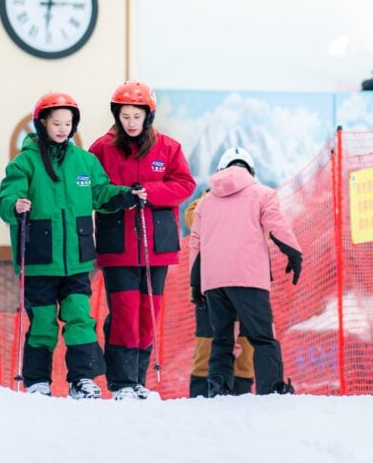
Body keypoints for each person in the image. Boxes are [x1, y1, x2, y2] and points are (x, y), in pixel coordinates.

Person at [0, 92, 139, 399]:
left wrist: (124, 196)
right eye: (56, 122)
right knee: (43, 323)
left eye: (68, 123)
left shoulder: (85, 162)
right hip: (39, 259)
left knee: (79, 318)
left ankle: (83, 379)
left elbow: (101, 193)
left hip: (76, 258)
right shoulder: (25, 163)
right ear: (42, 123)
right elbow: (5, 199)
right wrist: (15, 205)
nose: (62, 128)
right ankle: (37, 381)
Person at [89, 81, 196, 400]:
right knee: (124, 312)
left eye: (137, 115)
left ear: (148, 116)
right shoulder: (101, 149)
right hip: (118, 246)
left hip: (157, 247)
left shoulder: (168, 147)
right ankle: (122, 382)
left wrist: (152, 192)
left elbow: (184, 184)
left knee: (149, 313)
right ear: (116, 116)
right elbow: (92, 191)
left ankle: (138, 380)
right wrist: (120, 198)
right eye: (125, 116)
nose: (131, 122)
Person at [189, 146, 303, 396]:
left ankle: (217, 387)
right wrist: (294, 253)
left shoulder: (206, 202)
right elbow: (277, 226)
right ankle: (271, 388)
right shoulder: (263, 194)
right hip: (248, 277)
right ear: (251, 171)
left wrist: (195, 283)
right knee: (262, 337)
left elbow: (196, 243)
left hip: (214, 281)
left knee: (222, 339)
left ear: (221, 170)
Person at [183, 149, 258, 397]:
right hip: (212, 282)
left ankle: (240, 393)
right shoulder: (205, 202)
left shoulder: (259, 200)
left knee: (246, 344)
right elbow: (193, 220)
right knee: (208, 340)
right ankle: (202, 395)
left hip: (246, 279)